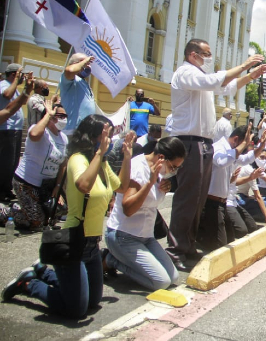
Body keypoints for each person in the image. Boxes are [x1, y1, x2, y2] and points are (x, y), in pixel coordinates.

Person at [2, 115, 135, 317]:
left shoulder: (101, 163)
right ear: (93, 136)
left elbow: (123, 187)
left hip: (92, 245)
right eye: (105, 133)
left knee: (93, 301)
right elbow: (83, 185)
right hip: (74, 242)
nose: (109, 139)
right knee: (76, 310)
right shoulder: (78, 159)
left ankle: (43, 271)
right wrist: (100, 153)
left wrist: (127, 157)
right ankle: (28, 284)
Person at [167, 38, 266, 270]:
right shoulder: (185, 73)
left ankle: (189, 245)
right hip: (189, 142)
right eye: (206, 54)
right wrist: (244, 66)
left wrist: (251, 76)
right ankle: (176, 249)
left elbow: (226, 86)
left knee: (198, 200)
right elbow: (216, 80)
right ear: (193, 55)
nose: (209, 58)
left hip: (203, 143)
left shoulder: (200, 78)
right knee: (187, 199)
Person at [103, 137, 184, 291]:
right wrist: (149, 183)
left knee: (173, 277)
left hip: (146, 237)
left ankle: (124, 259)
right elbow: (128, 209)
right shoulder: (137, 167)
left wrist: (162, 186)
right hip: (124, 235)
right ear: (161, 158)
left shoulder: (159, 171)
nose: (173, 172)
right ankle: (111, 260)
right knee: (160, 282)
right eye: (173, 167)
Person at [0, 100, 67, 229]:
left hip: (46, 185)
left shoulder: (63, 138)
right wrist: (48, 114)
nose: (64, 119)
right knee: (37, 222)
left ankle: (26, 209)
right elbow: (34, 135)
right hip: (26, 183)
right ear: (50, 116)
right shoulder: (39, 130)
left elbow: (63, 163)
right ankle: (7, 212)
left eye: (65, 116)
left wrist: (58, 187)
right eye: (60, 116)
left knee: (54, 215)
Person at [201, 124, 266, 250]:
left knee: (230, 241)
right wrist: (243, 145)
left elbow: (245, 159)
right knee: (219, 246)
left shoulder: (231, 150)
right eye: (243, 145)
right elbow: (221, 162)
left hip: (222, 202)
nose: (243, 149)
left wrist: (261, 147)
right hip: (211, 202)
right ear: (236, 139)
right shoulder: (218, 147)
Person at [0, 64, 27, 202]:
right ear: (13, 75)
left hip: (15, 129)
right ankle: (1, 190)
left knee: (13, 162)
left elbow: (23, 101)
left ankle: (7, 188)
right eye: (21, 75)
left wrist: (28, 89)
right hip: (6, 129)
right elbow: (6, 95)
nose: (22, 77)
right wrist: (17, 80)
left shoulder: (14, 87)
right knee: (6, 162)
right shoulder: (4, 85)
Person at [59, 53, 96, 136]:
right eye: (85, 63)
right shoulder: (69, 79)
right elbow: (70, 71)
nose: (88, 66)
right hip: (72, 131)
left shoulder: (83, 82)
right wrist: (85, 62)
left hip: (85, 133)